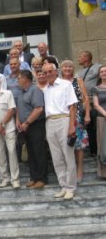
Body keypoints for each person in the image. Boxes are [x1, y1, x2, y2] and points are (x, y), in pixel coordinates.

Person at [42, 63, 78, 200]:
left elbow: (72, 106)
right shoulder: (46, 89)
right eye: (45, 72)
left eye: (50, 71)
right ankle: (63, 186)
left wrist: (71, 126)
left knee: (68, 156)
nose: (47, 74)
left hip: (64, 119)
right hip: (50, 122)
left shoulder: (65, 84)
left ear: (55, 71)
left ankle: (71, 187)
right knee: (57, 158)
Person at [16, 70, 47, 188]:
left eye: (19, 78)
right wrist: (18, 121)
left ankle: (42, 179)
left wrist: (27, 122)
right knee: (31, 153)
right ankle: (34, 177)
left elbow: (39, 109)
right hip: (25, 127)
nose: (17, 80)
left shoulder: (35, 90)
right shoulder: (22, 93)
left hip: (35, 125)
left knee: (39, 152)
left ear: (25, 78)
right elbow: (19, 109)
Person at [0, 75, 20, 188]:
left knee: (11, 152)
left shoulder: (7, 93)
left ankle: (15, 179)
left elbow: (12, 110)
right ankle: (4, 178)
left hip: (8, 128)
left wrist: (2, 125)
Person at [61, 60, 90, 182]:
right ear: (61, 69)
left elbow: (85, 98)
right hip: (63, 115)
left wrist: (87, 114)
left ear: (73, 68)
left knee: (79, 144)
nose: (67, 68)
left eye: (70, 67)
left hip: (78, 115)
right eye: (65, 67)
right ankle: (70, 169)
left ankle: (80, 170)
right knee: (66, 144)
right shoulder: (59, 82)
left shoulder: (78, 81)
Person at [77, 51, 101, 156]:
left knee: (95, 126)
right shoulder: (79, 72)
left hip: (93, 100)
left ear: (86, 58)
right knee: (88, 126)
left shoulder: (97, 67)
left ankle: (98, 150)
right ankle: (92, 150)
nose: (78, 59)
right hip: (83, 102)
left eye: (80, 57)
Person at [93, 65, 106, 178]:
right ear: (99, 74)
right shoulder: (96, 88)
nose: (104, 73)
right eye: (102, 71)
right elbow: (96, 105)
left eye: (105, 71)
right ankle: (103, 173)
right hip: (102, 119)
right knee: (103, 146)